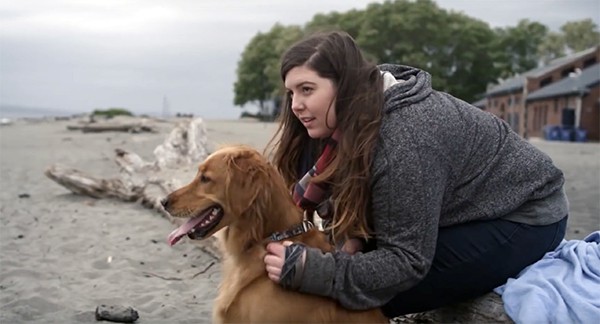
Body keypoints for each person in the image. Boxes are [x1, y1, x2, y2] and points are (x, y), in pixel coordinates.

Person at [262, 30, 568, 317]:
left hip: (523, 217)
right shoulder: (356, 114)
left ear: (345, 85)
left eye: (306, 90)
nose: (296, 106)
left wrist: (315, 270)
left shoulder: (406, 138)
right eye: (291, 93)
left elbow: (405, 261)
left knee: (352, 299)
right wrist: (352, 239)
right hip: (461, 206)